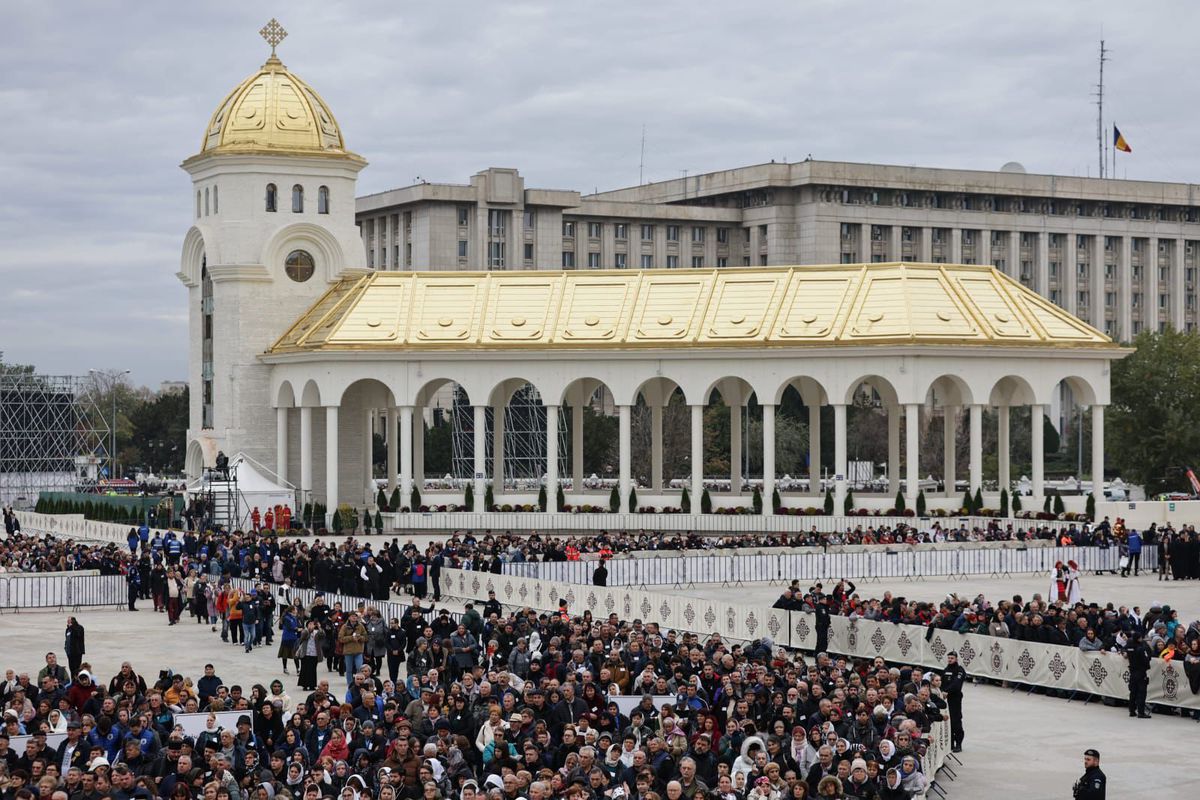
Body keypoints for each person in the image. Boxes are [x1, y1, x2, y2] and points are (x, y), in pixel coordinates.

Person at [941, 651, 966, 752]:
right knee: (948, 721)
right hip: (945, 698)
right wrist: (942, 691)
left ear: (956, 659)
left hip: (955, 698)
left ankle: (958, 743)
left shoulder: (959, 670)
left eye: (952, 658)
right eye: (949, 658)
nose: (950, 660)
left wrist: (947, 691)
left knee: (956, 720)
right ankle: (950, 743)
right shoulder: (945, 670)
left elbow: (957, 684)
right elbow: (941, 682)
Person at [1124, 632, 1152, 718]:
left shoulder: (1129, 647)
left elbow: (1124, 650)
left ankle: (1132, 710)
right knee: (1141, 692)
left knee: (1133, 692)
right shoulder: (1141, 648)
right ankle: (1141, 712)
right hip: (1140, 671)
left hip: (1132, 671)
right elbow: (1146, 659)